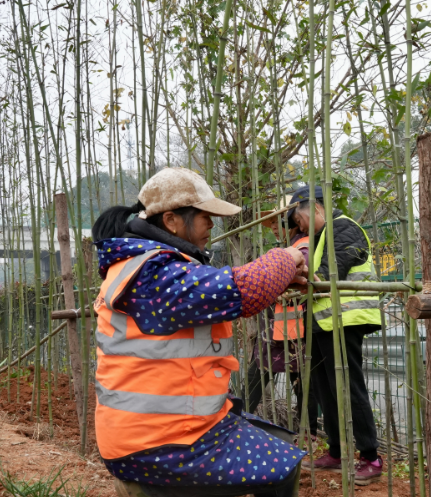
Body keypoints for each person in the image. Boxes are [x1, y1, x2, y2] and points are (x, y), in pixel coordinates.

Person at [91, 167, 308, 497]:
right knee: (283, 466)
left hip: (166, 427)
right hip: (156, 442)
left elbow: (219, 290)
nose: (211, 224)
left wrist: (280, 278)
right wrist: (288, 257)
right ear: (171, 221)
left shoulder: (152, 265)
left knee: (280, 440)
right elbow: (241, 290)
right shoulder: (152, 273)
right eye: (205, 216)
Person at [286, 185, 384, 485]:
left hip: (345, 321)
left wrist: (288, 272)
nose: (300, 228)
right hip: (322, 322)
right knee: (324, 389)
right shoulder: (321, 236)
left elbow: (328, 277)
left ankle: (371, 456)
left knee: (348, 387)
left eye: (299, 220)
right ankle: (337, 452)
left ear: (316, 208)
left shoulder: (344, 228)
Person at [247, 212, 319, 439]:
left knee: (299, 379)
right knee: (284, 375)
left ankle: (307, 433)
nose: (274, 228)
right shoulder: (292, 246)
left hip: (294, 328)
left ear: (294, 222)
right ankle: (307, 432)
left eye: (278, 223)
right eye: (270, 224)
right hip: (279, 327)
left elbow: (297, 280)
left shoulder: (303, 246)